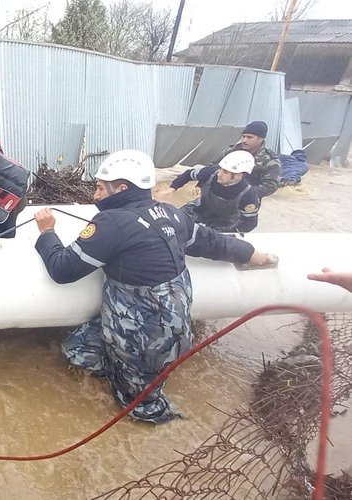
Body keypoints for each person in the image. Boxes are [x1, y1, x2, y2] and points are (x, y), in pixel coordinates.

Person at [34, 150, 274, 424]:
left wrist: (47, 232)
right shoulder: (170, 214)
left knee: (139, 408)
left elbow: (62, 270)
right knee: (77, 349)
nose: (95, 195)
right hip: (175, 328)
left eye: (100, 188)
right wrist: (251, 254)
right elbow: (211, 242)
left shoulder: (111, 223)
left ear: (121, 189)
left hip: (146, 338)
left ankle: (164, 424)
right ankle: (118, 366)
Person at [160, 150, 261, 233]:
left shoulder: (248, 195)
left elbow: (249, 223)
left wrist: (228, 232)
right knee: (171, 223)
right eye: (221, 169)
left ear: (238, 175)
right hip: (199, 210)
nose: (219, 174)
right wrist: (172, 188)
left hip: (224, 224)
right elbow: (188, 174)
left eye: (225, 172)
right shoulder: (211, 172)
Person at [212, 121, 281, 199]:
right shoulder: (232, 151)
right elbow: (213, 167)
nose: (244, 140)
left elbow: (270, 185)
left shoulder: (269, 160)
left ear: (261, 139)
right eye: (243, 137)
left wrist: (245, 193)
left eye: (249, 137)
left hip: (245, 201)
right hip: (217, 195)